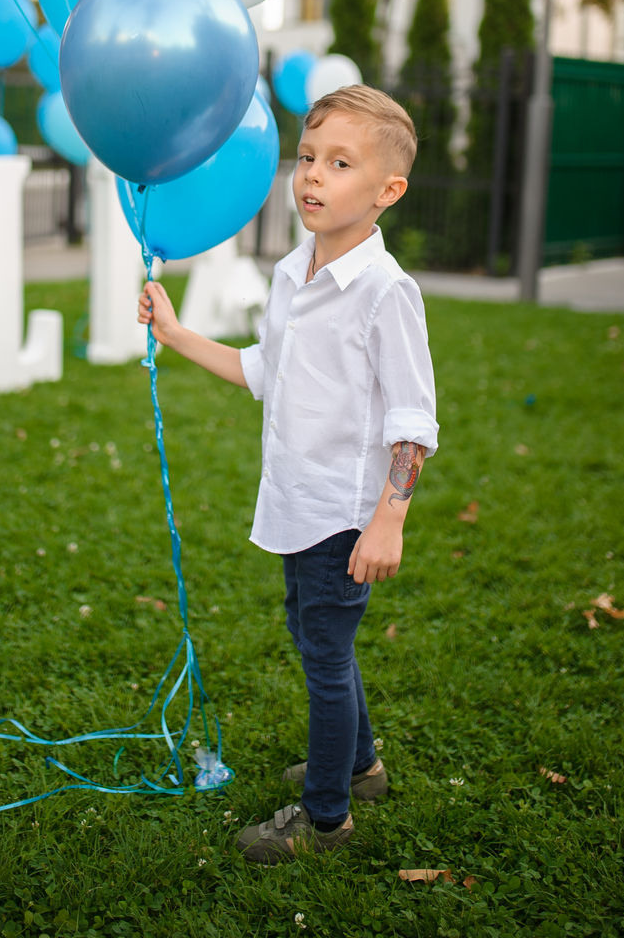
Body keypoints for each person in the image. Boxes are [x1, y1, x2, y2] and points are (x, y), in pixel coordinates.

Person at [138, 83, 438, 863]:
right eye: (307, 157)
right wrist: (174, 334)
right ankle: (361, 765)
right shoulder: (291, 272)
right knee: (316, 638)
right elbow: (264, 369)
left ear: (386, 192)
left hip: (345, 513)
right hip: (297, 502)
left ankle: (328, 817)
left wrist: (389, 518)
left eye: (340, 163)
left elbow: (412, 419)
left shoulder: (384, 293)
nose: (311, 176)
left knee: (326, 653)